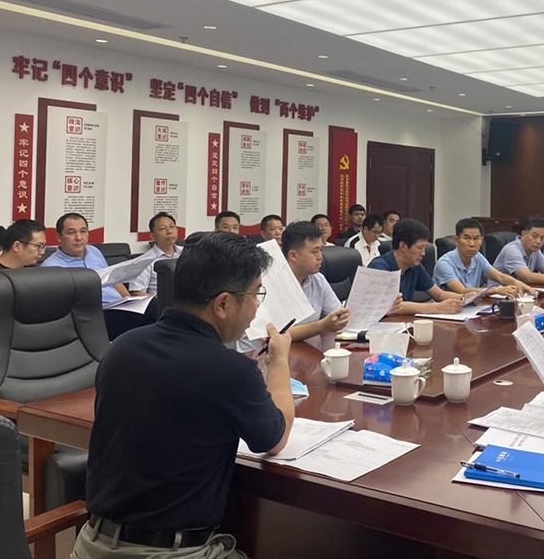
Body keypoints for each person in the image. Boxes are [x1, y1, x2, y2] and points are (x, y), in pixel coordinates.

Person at [72, 233, 294, 558]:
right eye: (255, 294)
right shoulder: (230, 370)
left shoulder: (122, 347)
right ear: (223, 304)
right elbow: (275, 439)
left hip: (92, 545)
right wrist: (279, 361)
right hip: (171, 553)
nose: (257, 306)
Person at [237, 221, 351, 353]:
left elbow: (336, 315)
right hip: (259, 355)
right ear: (293, 255)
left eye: (321, 250)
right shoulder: (265, 282)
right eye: (314, 252)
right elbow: (275, 334)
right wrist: (322, 325)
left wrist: (340, 317)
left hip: (303, 354)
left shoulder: (318, 279)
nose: (320, 257)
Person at [368, 218, 463, 315]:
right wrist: (438, 307)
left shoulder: (415, 266)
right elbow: (391, 306)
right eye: (420, 248)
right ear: (403, 246)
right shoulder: (379, 267)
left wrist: (464, 298)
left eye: (425, 248)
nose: (423, 253)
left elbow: (439, 294)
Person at [41, 213, 129, 306]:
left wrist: (130, 300)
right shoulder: (51, 267)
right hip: (97, 311)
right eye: (71, 233)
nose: (79, 238)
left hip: (120, 305)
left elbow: (114, 281)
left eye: (83, 231)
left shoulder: (93, 251)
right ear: (59, 237)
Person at [434, 218, 536, 298]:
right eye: (466, 238)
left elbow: (500, 277)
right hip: (446, 311)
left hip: (470, 307)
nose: (472, 244)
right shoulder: (444, 263)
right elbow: (461, 291)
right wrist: (496, 290)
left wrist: (524, 287)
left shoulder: (477, 257)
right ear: (456, 240)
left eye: (476, 238)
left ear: (481, 240)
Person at [492, 216, 544, 288]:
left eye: (542, 238)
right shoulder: (512, 250)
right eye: (534, 236)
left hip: (520, 291)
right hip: (497, 294)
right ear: (523, 234)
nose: (538, 241)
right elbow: (527, 277)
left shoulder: (535, 250)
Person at [130, 212, 183, 295]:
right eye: (162, 229)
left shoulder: (187, 252)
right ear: (152, 236)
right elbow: (137, 292)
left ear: (177, 230)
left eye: (172, 227)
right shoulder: (143, 261)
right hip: (161, 301)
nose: (169, 231)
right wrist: (159, 301)